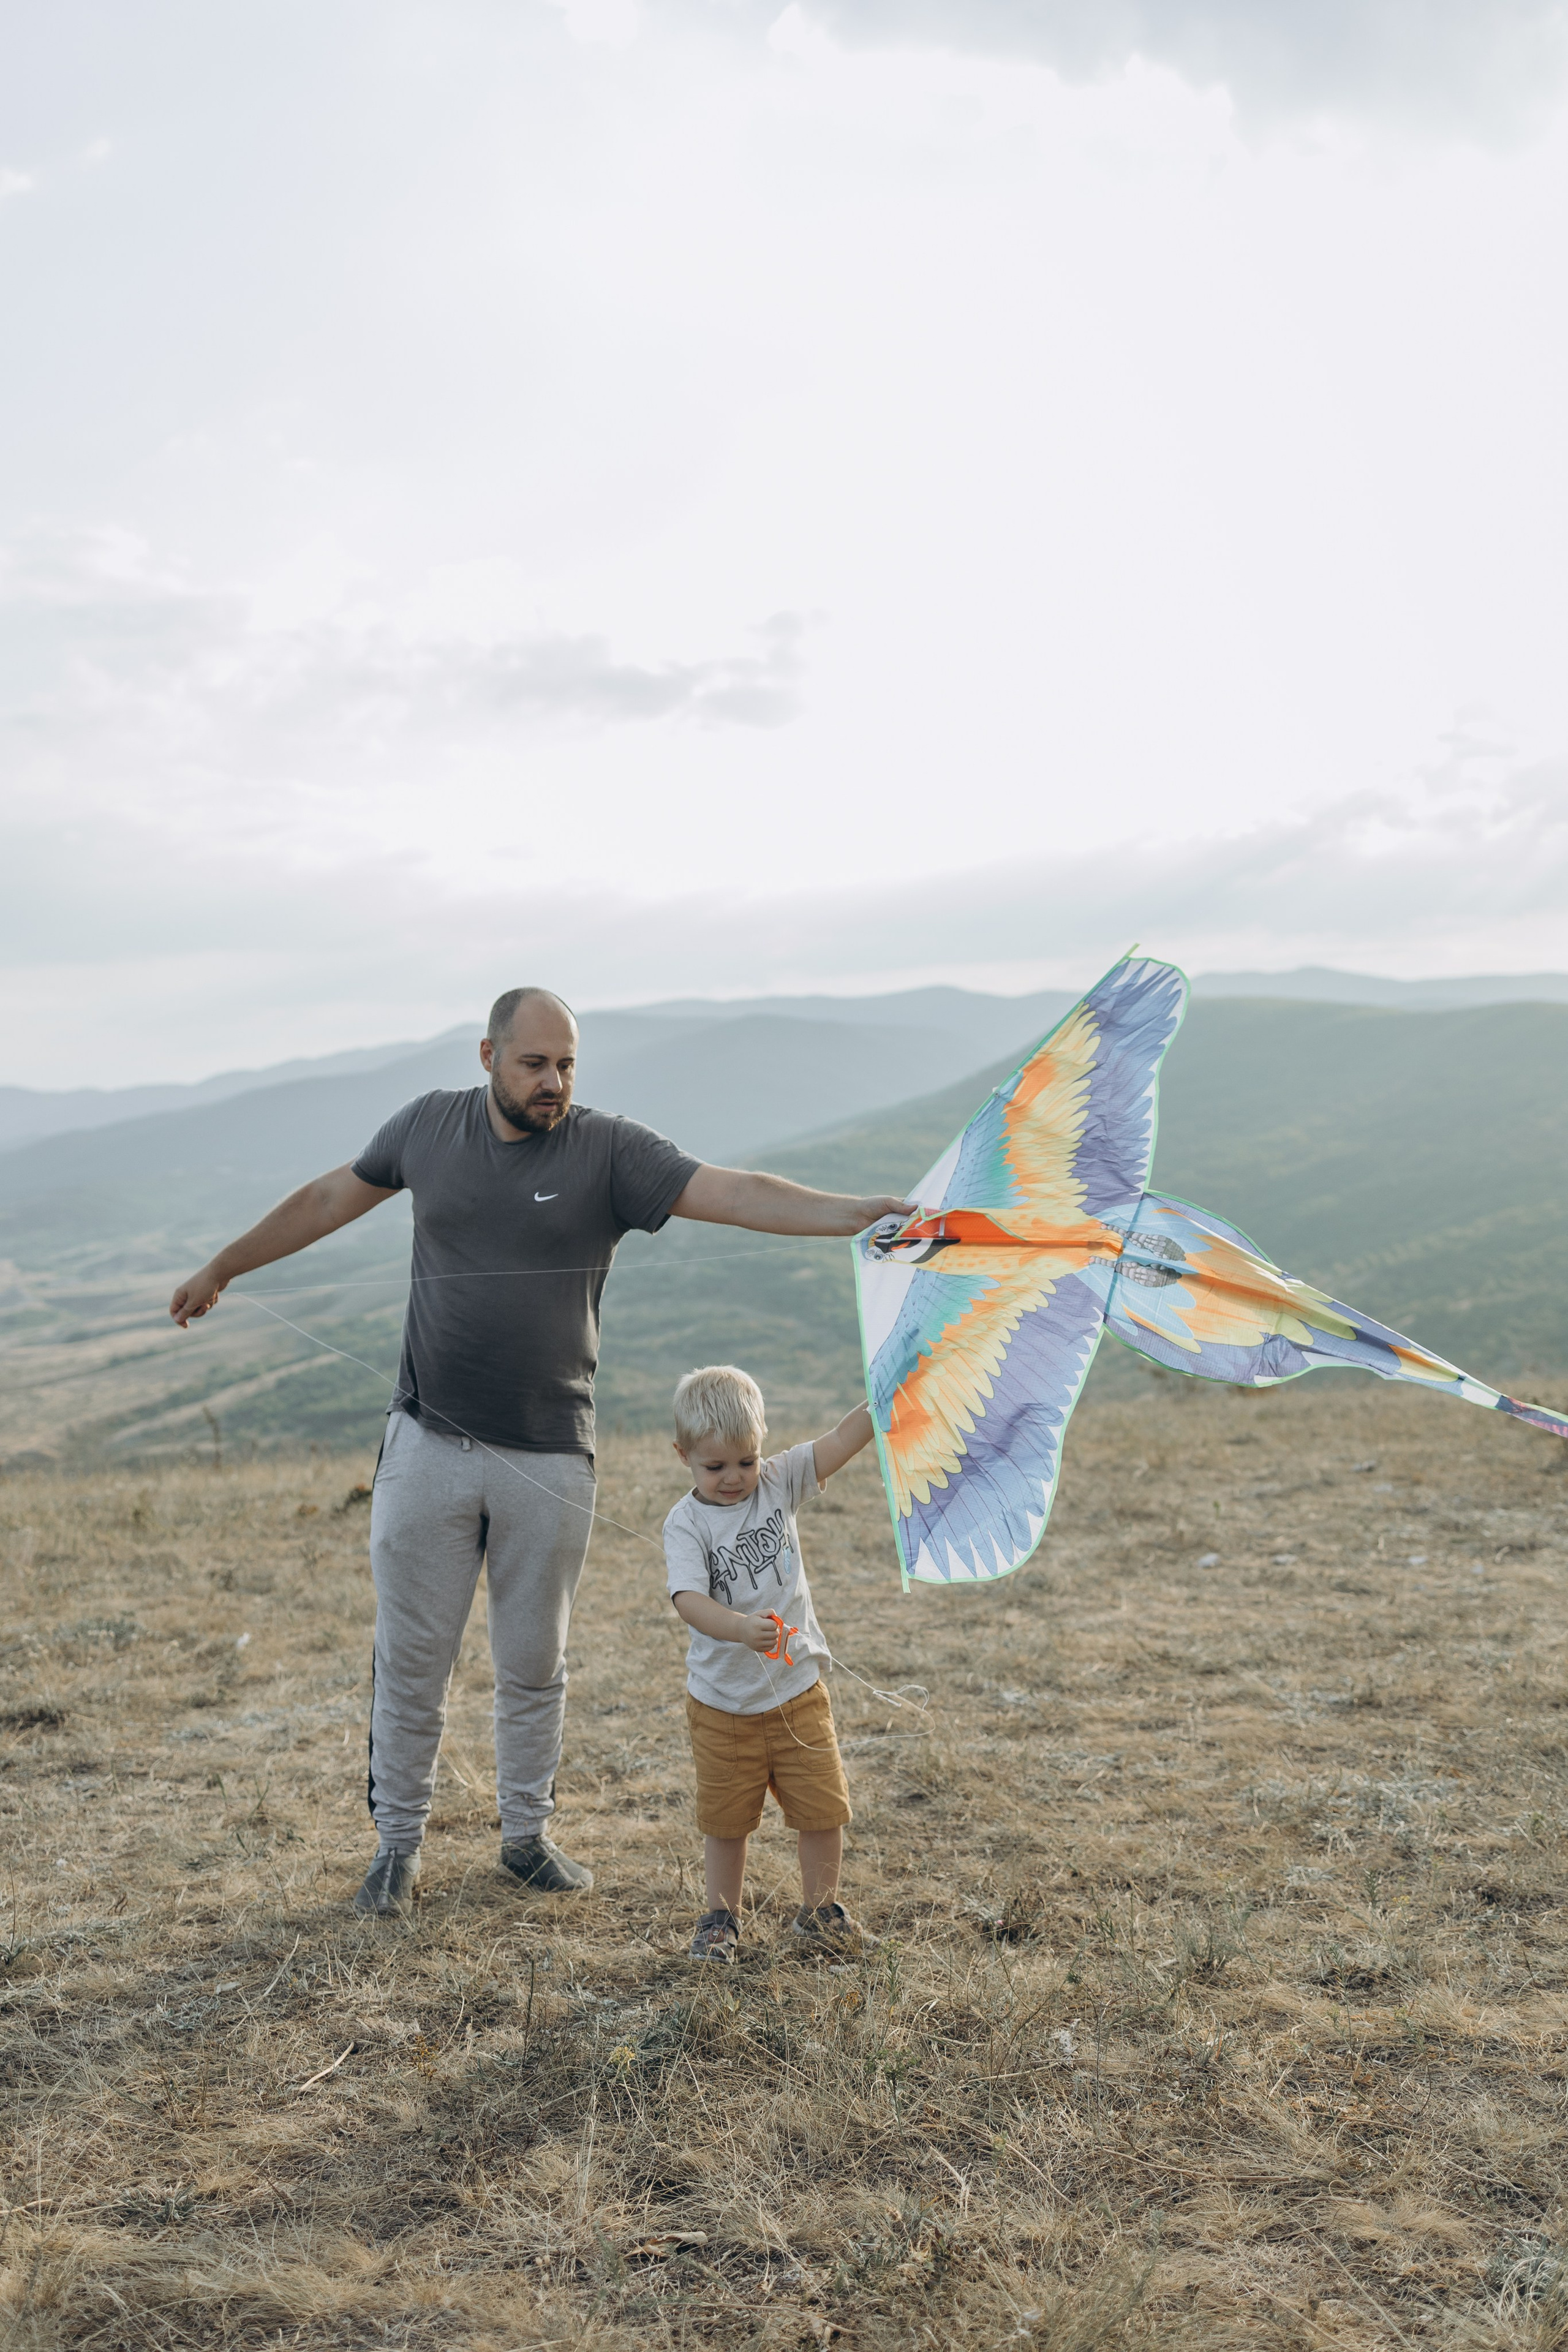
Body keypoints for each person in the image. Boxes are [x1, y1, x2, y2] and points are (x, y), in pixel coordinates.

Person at [168, 986, 908, 1920]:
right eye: (534, 1064)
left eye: (566, 1065)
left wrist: (858, 1214)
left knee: (533, 1662)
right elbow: (326, 1198)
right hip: (426, 1443)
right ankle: (396, 1850)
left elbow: (734, 1191)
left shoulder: (609, 1149)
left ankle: (525, 1839)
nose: (553, 1082)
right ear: (488, 1057)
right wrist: (224, 1266)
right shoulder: (427, 1128)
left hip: (553, 1454)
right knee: (413, 1659)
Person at [663, 1362, 877, 1964]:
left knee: (823, 1808)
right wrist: (738, 1628)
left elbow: (839, 1441)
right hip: (723, 1706)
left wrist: (882, 1398)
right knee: (727, 1822)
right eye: (715, 1467)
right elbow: (688, 1599)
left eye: (747, 1461)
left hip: (797, 1691)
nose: (734, 1478)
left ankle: (821, 1913)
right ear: (683, 1456)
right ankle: (720, 1920)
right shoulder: (686, 1524)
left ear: (762, 1448)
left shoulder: (779, 1481)